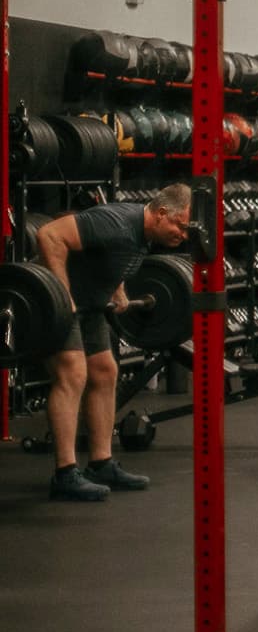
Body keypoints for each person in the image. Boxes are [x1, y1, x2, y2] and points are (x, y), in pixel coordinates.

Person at [34, 184, 193, 501]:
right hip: (55, 304)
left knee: (105, 372)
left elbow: (113, 257)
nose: (184, 235)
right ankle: (65, 474)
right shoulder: (116, 221)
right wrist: (62, 295)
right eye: (181, 226)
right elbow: (49, 234)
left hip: (90, 306)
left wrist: (118, 289)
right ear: (162, 213)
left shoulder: (143, 235)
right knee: (73, 374)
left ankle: (101, 464)